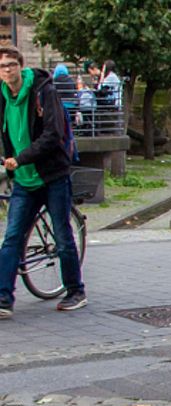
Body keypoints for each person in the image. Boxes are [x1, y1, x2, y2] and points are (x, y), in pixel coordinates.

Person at [0, 45, 86, 318]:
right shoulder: (2, 96)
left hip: (52, 175)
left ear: (21, 66)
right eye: (2, 67)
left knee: (62, 236)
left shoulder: (43, 91)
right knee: (12, 237)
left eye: (11, 65)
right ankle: (3, 299)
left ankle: (76, 290)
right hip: (24, 180)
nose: (7, 70)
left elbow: (53, 134)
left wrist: (21, 158)